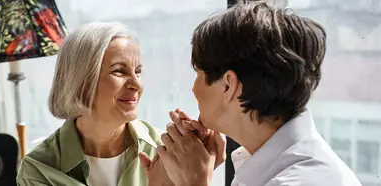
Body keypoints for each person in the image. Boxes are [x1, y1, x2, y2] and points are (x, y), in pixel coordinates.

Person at [146, 1, 362, 186]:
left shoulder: (300, 181)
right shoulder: (264, 163)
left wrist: (194, 182)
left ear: (228, 85)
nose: (193, 88)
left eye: (199, 73)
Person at [16, 22, 173, 186]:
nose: (137, 85)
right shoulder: (38, 169)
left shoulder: (166, 151)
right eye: (119, 71)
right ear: (80, 80)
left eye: (138, 71)